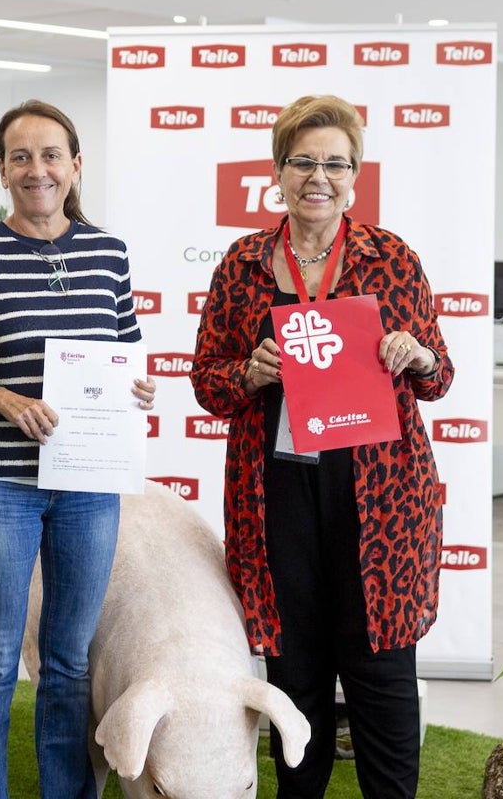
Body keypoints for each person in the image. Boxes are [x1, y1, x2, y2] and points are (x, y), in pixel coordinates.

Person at [189, 94, 453, 799]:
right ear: (278, 169)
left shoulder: (392, 258)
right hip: (276, 489)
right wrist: (248, 370)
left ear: (355, 176)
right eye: (304, 160)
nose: (319, 176)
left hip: (380, 493)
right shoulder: (244, 262)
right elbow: (207, 384)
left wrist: (416, 355)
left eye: (336, 163)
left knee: (381, 668)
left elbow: (441, 375)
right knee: (295, 668)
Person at [0, 99, 156, 799]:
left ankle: (68, 792)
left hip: (88, 483)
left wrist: (134, 393)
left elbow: (125, 354)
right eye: (20, 156)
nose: (37, 169)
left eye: (50, 155)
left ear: (75, 165)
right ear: (2, 169)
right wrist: (0, 398)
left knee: (68, 660)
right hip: (0, 483)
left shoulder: (107, 252)